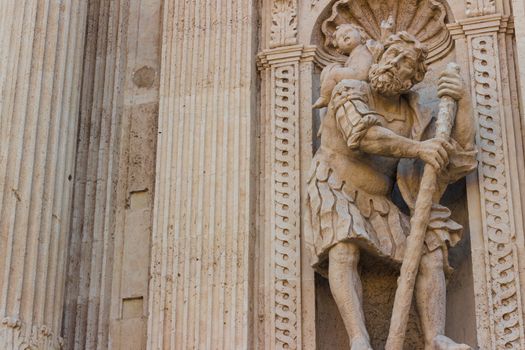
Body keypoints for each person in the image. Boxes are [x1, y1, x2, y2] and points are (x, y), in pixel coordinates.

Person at [307, 31, 477, 350]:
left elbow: (455, 158)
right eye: (392, 55)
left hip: (379, 203)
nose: (395, 64)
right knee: (343, 247)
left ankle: (435, 337)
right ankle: (359, 339)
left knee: (429, 245)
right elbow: (364, 135)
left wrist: (463, 104)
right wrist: (419, 148)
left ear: (413, 78)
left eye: (406, 63)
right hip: (335, 186)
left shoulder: (413, 112)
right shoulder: (348, 89)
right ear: (380, 56)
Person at [313, 23, 379, 109]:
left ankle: (325, 97)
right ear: (339, 49)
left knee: (334, 74)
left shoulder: (365, 48)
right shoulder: (350, 58)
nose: (345, 35)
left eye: (349, 31)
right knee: (332, 70)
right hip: (357, 76)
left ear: (361, 33)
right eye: (340, 37)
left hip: (361, 73)